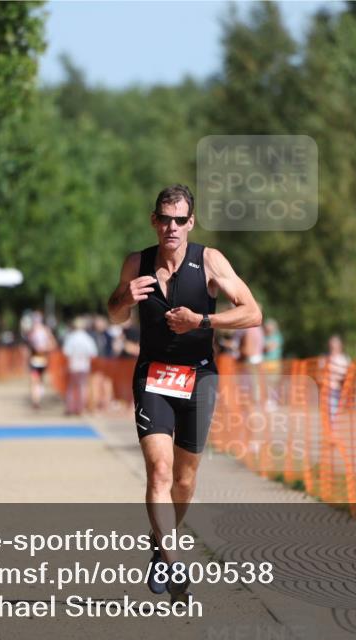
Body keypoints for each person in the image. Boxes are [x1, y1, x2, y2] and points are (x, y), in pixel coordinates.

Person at [106, 184, 261, 604]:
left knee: (184, 479)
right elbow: (115, 313)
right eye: (164, 219)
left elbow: (253, 312)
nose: (171, 227)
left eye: (180, 220)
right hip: (152, 374)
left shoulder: (209, 260)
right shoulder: (136, 262)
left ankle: (159, 545)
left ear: (191, 222)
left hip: (199, 376)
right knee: (159, 470)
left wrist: (202, 321)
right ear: (154, 220)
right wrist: (123, 296)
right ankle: (174, 561)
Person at [62, 316, 98, 416]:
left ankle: (70, 407)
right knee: (82, 387)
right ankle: (80, 408)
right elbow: (93, 353)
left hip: (73, 366)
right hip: (84, 366)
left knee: (71, 387)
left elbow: (66, 352)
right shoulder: (87, 338)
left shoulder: (71, 337)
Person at [25, 311, 57, 409]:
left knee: (39, 381)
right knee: (35, 380)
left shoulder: (45, 331)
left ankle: (37, 397)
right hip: (34, 361)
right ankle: (36, 401)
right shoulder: (31, 332)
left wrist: (44, 349)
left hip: (42, 360)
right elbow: (28, 346)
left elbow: (53, 345)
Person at [322, 335, 351, 420]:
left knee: (336, 413)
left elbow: (346, 375)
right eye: (333, 345)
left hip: (339, 390)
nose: (334, 347)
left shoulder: (344, 359)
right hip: (328, 389)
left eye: (336, 345)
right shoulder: (327, 358)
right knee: (331, 413)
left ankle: (333, 430)